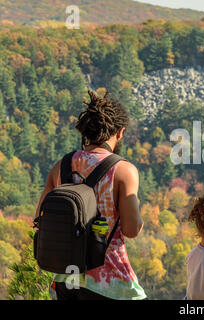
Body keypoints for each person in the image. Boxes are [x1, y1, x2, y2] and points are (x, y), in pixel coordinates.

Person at [35, 90, 146, 300]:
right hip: (110, 284)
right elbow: (131, 230)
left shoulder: (60, 167)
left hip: (64, 282)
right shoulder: (123, 171)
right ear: (120, 132)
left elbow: (40, 219)